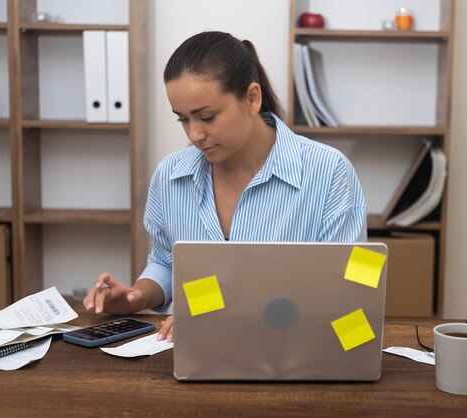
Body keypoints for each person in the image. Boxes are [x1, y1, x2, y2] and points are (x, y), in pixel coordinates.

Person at [83, 31, 366, 342]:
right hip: (193, 356)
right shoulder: (170, 175)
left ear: (252, 98)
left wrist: (212, 308)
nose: (194, 135)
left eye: (207, 116)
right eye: (183, 119)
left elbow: (350, 288)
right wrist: (138, 296)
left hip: (296, 351)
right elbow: (166, 260)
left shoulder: (328, 171)